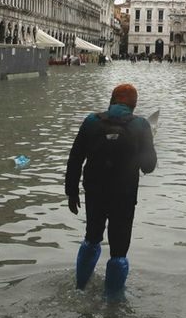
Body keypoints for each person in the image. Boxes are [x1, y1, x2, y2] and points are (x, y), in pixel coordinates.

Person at [65, 83, 158, 297]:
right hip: (124, 197)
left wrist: (71, 192)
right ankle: (113, 303)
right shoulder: (141, 126)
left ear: (111, 101)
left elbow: (75, 159)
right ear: (134, 106)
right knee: (118, 250)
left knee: (92, 237)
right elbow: (148, 167)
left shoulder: (91, 121)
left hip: (94, 193)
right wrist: (149, 142)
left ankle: (80, 288)